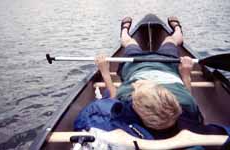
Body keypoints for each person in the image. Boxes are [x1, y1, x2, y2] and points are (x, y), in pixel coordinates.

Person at [74, 16, 230, 149]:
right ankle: (176, 30)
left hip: (135, 65)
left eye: (137, 88)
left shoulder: (126, 99)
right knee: (170, 40)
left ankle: (124, 31)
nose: (137, 85)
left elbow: (113, 98)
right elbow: (187, 95)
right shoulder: (184, 101)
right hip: (168, 64)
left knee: (130, 44)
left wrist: (104, 71)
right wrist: (186, 74)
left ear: (138, 111)